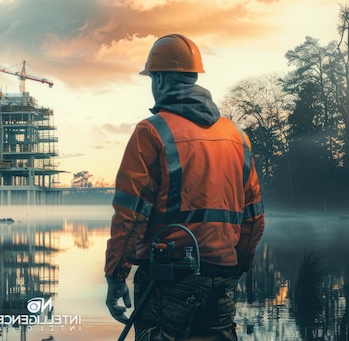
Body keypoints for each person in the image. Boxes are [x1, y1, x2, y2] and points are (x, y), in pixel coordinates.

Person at [104, 33, 265, 341]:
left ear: (162, 79)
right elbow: (254, 216)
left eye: (152, 77)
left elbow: (131, 213)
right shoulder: (237, 137)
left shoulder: (151, 132)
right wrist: (237, 264)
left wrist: (116, 274)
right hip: (222, 278)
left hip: (169, 280)